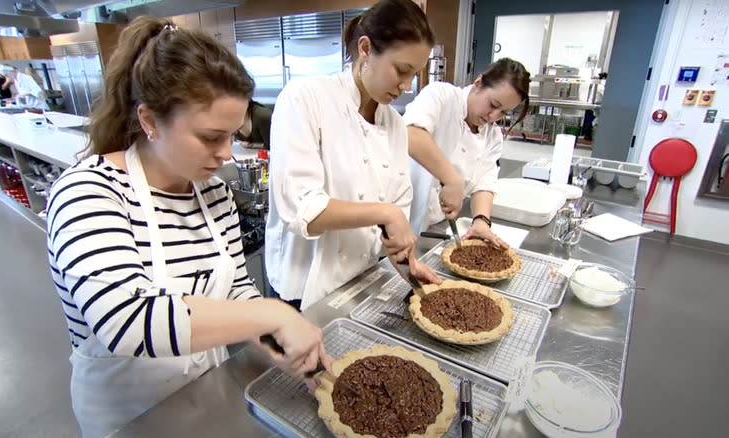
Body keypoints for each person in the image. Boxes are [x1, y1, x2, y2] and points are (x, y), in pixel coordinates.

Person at [46, 17, 329, 438]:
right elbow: (127, 319)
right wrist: (273, 311)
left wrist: (274, 339)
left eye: (233, 135)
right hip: (129, 418)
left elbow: (235, 289)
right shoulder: (88, 193)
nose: (225, 154)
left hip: (204, 397)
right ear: (150, 121)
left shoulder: (212, 194)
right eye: (211, 137)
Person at [265, 0, 441, 310]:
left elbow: (393, 222)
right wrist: (387, 213)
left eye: (414, 74)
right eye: (401, 70)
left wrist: (408, 263)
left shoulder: (395, 124)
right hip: (301, 292)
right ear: (365, 48)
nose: (405, 85)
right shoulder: (305, 98)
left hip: (359, 282)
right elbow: (302, 209)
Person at [405, 57, 530, 248]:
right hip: (399, 214)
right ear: (478, 83)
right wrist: (452, 179)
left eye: (504, 113)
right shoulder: (442, 96)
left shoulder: (493, 135)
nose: (493, 116)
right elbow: (411, 133)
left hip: (434, 226)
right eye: (494, 104)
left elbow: (485, 182)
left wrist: (481, 221)